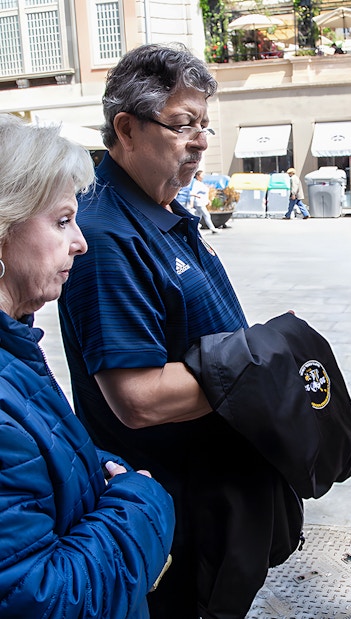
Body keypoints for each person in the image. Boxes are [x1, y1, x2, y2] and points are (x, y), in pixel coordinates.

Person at [58, 44, 301, 619]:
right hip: (179, 507)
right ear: (127, 128)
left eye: (205, 125)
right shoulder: (108, 237)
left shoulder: (162, 209)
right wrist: (266, 369)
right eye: (183, 124)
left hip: (217, 490)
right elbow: (138, 400)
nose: (201, 140)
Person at [0, 114, 175, 618]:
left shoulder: (16, 345)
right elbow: (47, 599)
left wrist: (96, 476)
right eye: (61, 221)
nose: (79, 241)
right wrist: (140, 499)